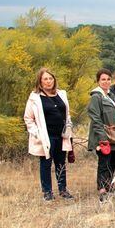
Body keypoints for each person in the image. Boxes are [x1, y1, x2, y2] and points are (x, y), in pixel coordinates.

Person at [24, 67, 74, 201]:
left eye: (50, 78)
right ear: (40, 81)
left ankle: (63, 190)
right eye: (45, 79)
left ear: (54, 80)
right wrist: (37, 134)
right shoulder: (35, 98)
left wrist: (69, 126)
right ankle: (47, 192)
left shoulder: (61, 94)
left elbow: (67, 113)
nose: (48, 81)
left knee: (60, 163)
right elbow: (28, 119)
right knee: (46, 164)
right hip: (46, 137)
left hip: (61, 136)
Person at [87, 68, 115, 201]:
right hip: (103, 137)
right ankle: (102, 190)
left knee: (112, 163)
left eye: (108, 79)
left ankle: (110, 186)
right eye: (103, 79)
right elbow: (96, 119)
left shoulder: (110, 95)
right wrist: (102, 138)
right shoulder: (96, 96)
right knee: (104, 164)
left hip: (114, 137)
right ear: (98, 81)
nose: (106, 82)